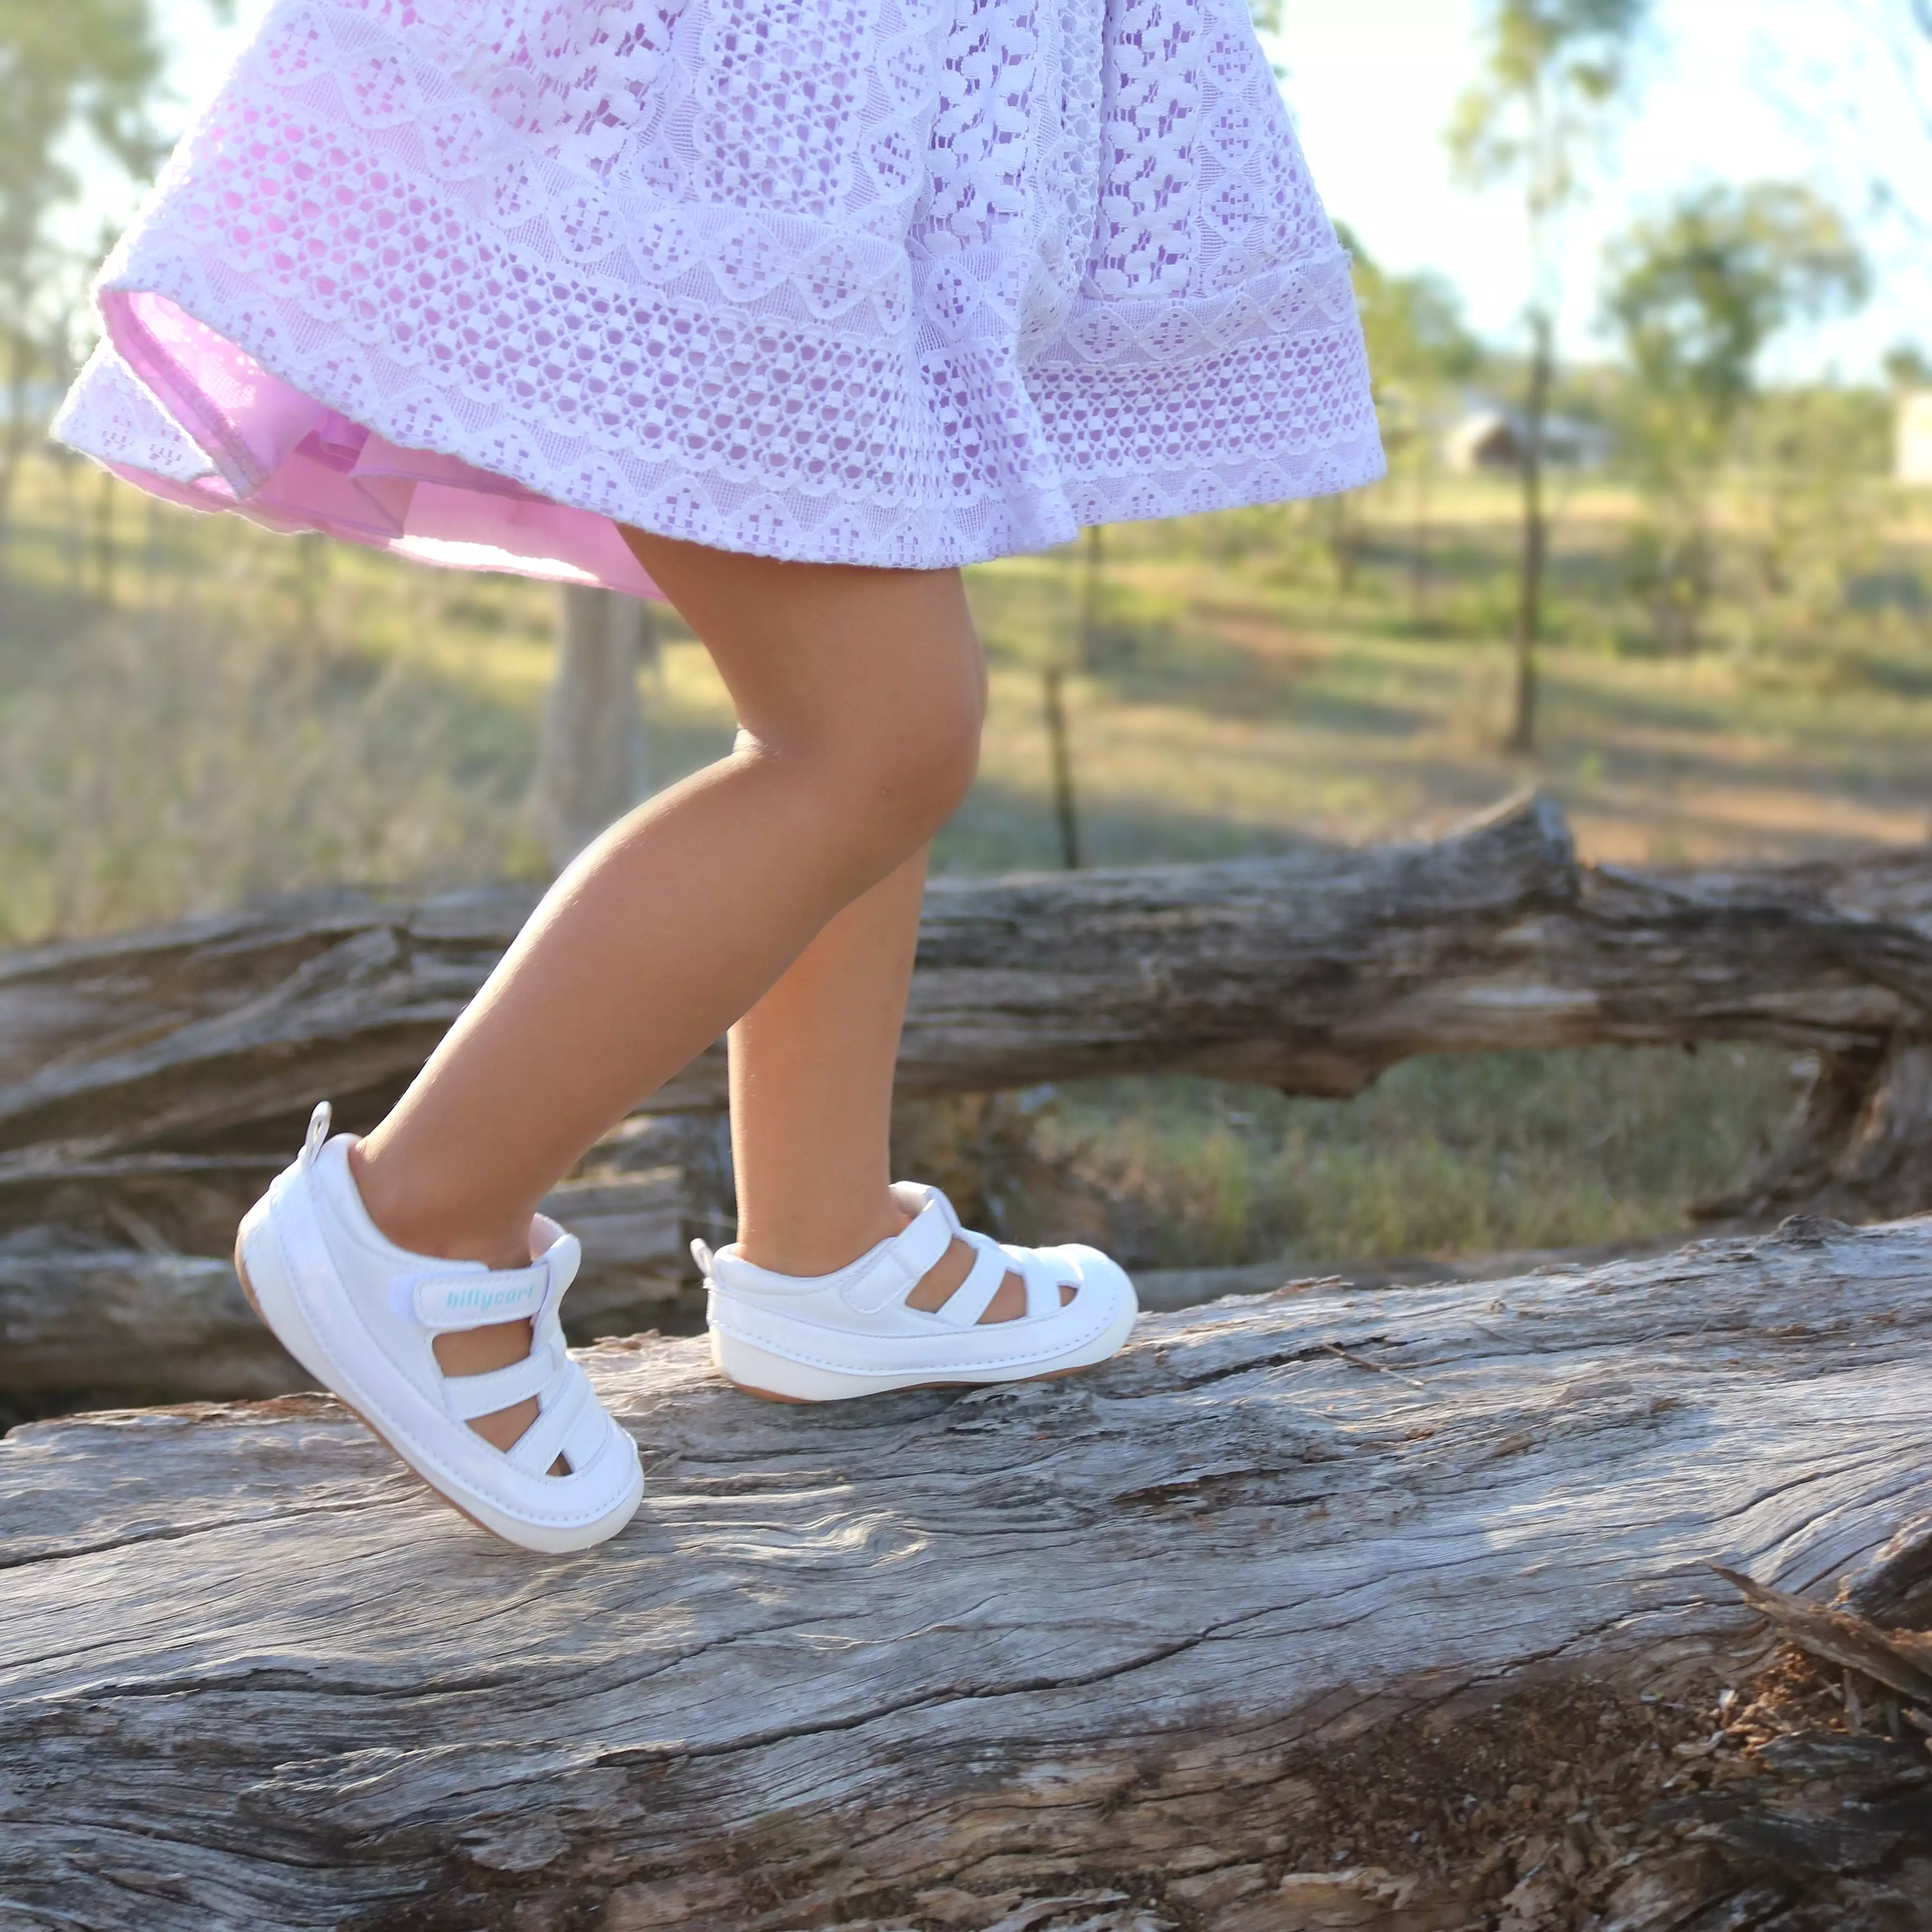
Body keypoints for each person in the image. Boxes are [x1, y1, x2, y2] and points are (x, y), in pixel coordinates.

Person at [54, 0, 1383, 1553]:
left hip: (889, 112)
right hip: (776, 93)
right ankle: (417, 1213)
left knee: (879, 679)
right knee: (873, 739)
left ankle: (822, 1244)